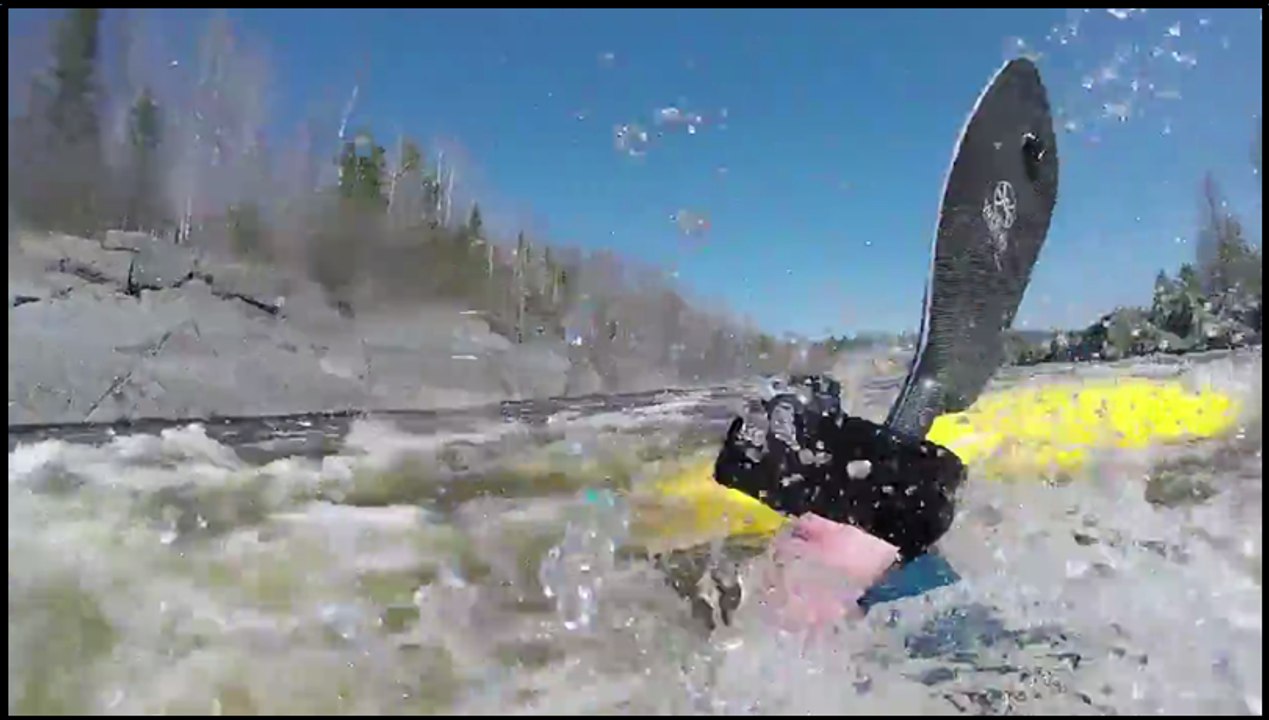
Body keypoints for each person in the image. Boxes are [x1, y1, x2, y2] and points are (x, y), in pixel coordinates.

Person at [710, 373, 965, 631]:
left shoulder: (911, 636)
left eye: (801, 536)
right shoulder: (900, 621)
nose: (782, 539)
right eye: (797, 532)